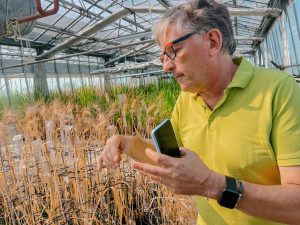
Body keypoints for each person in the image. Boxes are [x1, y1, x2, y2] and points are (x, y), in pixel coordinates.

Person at [98, 0, 300, 224]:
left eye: (172, 51)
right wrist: (128, 144)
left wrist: (214, 185)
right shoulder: (187, 99)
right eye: (163, 56)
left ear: (212, 42)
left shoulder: (278, 91)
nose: (166, 66)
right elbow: (171, 160)